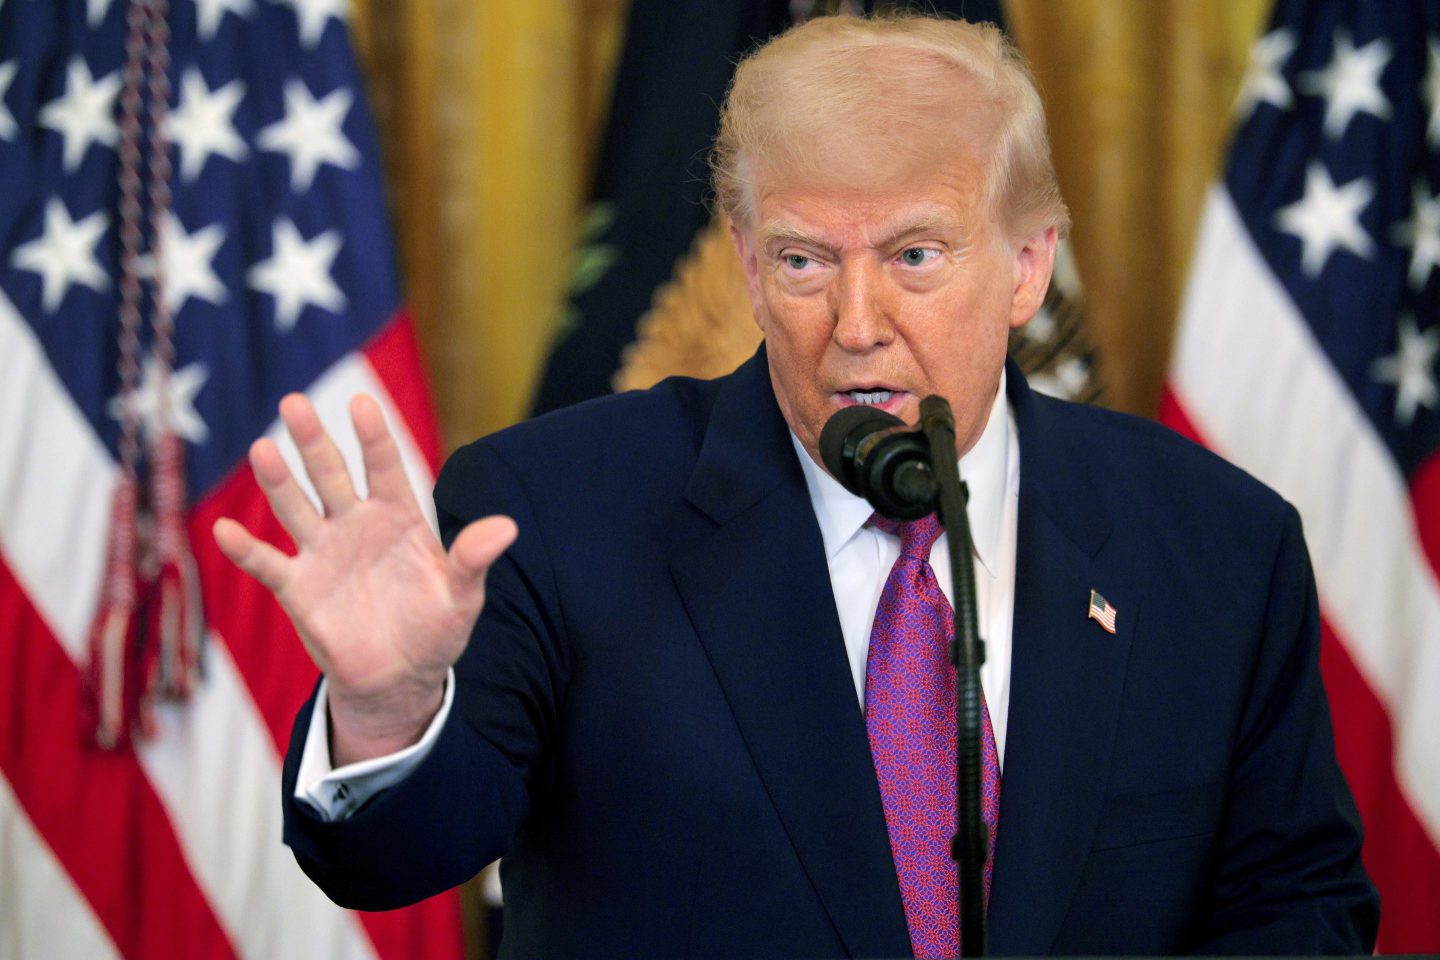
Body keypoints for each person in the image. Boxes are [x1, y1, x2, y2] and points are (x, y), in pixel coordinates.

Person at [215, 13, 1379, 958]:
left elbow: (1299, 907)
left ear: (1029, 266)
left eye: (916, 256)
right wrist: (386, 710)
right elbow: (401, 858)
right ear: (745, 262)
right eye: (805, 261)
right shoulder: (553, 510)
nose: (856, 328)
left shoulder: (1218, 545)